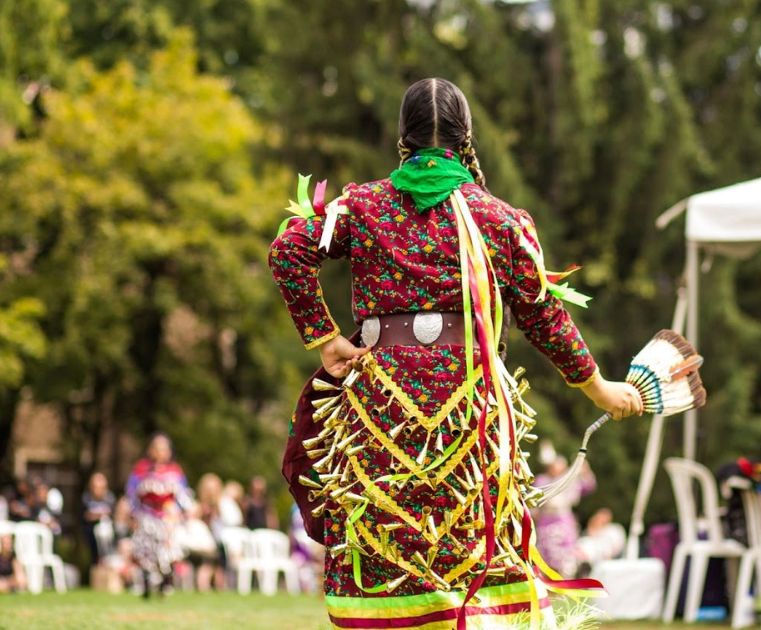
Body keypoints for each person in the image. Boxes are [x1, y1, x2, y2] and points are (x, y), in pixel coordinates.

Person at [268, 77, 641, 628]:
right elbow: (543, 315)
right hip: (467, 408)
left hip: (380, 411)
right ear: (467, 140)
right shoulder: (502, 220)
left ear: (404, 139)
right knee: (467, 544)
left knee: (388, 538)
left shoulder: (361, 207)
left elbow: (287, 249)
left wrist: (326, 339)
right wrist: (601, 389)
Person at [126, 432, 192, 598]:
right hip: (146, 517)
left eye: (164, 449)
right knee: (146, 550)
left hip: (167, 518)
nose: (160, 452)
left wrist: (179, 512)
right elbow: (132, 495)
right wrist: (133, 515)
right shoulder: (141, 470)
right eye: (156, 448)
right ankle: (147, 582)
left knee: (167, 551)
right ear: (150, 450)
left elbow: (183, 496)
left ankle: (166, 580)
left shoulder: (175, 471)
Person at [534, 455, 595, 577]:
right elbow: (534, 500)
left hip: (563, 520)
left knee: (565, 556)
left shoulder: (568, 481)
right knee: (544, 554)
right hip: (545, 520)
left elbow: (589, 486)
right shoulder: (541, 480)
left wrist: (585, 469)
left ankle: (565, 580)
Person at [574, 508, 625, 574]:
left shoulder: (613, 530)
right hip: (593, 557)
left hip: (604, 558)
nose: (602, 518)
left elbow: (616, 547)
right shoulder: (589, 533)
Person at [82, 472, 116, 564]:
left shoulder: (110, 498)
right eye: (96, 487)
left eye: (101, 487)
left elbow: (113, 515)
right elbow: (86, 516)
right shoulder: (86, 498)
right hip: (91, 535)